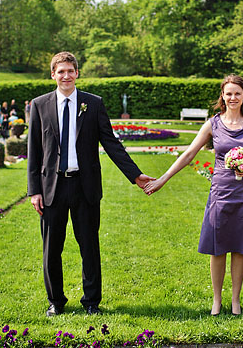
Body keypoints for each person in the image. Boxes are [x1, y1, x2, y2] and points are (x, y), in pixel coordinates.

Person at [27, 51, 155, 316]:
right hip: (52, 188)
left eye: (70, 71)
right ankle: (56, 302)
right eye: (60, 71)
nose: (66, 76)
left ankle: (92, 301)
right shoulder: (39, 105)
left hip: (85, 187)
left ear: (77, 73)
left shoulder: (93, 104)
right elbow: (34, 152)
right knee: (52, 249)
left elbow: (110, 143)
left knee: (89, 246)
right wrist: (34, 191)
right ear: (53, 74)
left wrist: (135, 175)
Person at [143, 74, 243, 316]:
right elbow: (188, 154)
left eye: (237, 93)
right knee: (217, 246)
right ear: (222, 96)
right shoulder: (213, 124)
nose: (233, 98)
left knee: (240, 247)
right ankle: (217, 300)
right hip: (220, 191)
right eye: (228, 93)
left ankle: (236, 300)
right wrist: (162, 179)